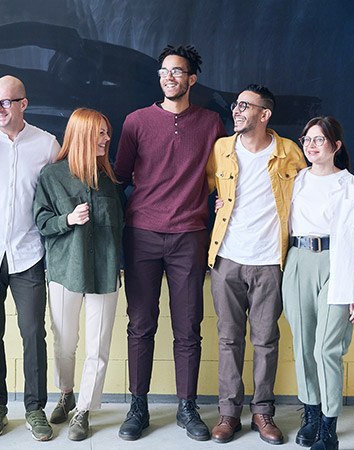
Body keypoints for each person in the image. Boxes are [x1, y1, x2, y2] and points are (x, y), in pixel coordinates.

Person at [113, 45, 226, 441]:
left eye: (177, 71)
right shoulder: (136, 121)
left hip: (190, 235)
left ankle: (187, 407)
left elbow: (226, 174)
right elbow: (119, 177)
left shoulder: (211, 123)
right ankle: (138, 406)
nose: (169, 77)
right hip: (141, 233)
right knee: (140, 324)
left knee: (188, 327)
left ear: (191, 78)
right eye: (164, 71)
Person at [207, 85, 306, 445]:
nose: (236, 110)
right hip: (227, 259)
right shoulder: (222, 148)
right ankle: (229, 414)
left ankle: (263, 412)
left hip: (270, 261)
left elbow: (316, 187)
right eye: (236, 104)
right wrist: (215, 203)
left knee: (266, 340)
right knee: (229, 339)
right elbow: (201, 187)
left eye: (245, 106)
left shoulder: (289, 152)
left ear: (264, 114)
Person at [0, 75, 61, 441]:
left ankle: (35, 409)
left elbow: (64, 186)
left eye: (6, 102)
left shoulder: (46, 144)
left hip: (28, 251)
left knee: (34, 332)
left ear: (23, 103)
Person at [282, 117, 354, 450]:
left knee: (326, 348)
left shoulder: (353, 186)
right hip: (298, 261)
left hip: (338, 264)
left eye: (319, 140)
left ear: (336, 145)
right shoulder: (294, 180)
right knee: (303, 345)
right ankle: (310, 413)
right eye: (307, 139)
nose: (311, 145)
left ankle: (328, 425)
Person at [34, 108, 124, 441]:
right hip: (65, 269)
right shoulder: (52, 176)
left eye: (107, 132)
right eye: (101, 133)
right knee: (64, 342)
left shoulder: (109, 179)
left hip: (104, 271)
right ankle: (66, 393)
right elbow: (42, 221)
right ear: (82, 134)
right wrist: (68, 220)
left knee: (98, 345)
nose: (107, 139)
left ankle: (84, 409)